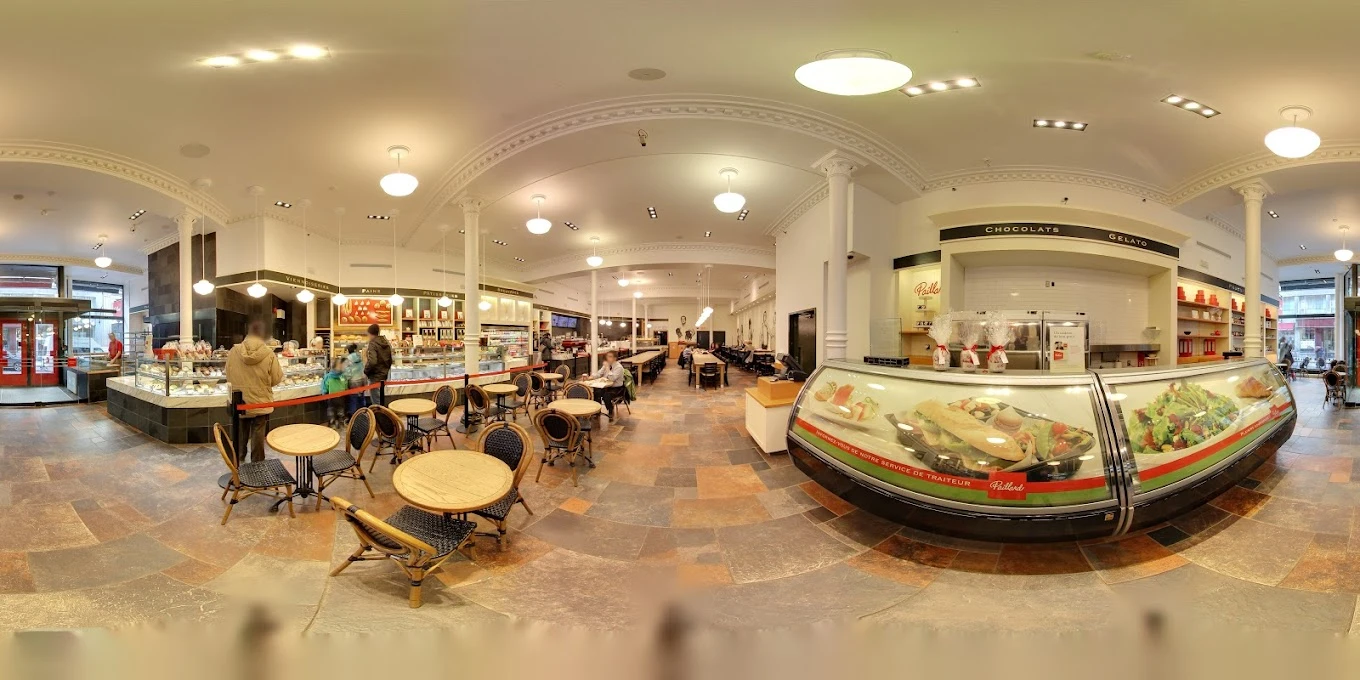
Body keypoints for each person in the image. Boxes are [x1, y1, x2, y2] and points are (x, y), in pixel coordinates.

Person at [225, 319, 283, 463]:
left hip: (240, 401)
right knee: (258, 431)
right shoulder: (269, 353)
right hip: (260, 400)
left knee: (241, 431)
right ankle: (257, 463)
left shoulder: (233, 351)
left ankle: (238, 460)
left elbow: (228, 374)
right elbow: (276, 378)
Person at [589, 351, 627, 419]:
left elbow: (612, 379)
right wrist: (591, 377)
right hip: (606, 386)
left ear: (615, 358)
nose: (608, 358)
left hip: (617, 388)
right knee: (597, 391)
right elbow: (599, 374)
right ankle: (597, 411)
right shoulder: (606, 365)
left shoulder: (619, 367)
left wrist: (607, 368)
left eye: (610, 356)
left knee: (606, 395)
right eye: (607, 356)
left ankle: (610, 410)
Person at [363, 324, 393, 403]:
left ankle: (378, 411)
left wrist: (366, 371)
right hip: (384, 376)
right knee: (381, 399)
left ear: (370, 334)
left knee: (376, 402)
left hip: (375, 377)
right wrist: (386, 370)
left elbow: (372, 361)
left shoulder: (372, 344)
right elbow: (390, 359)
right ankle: (382, 410)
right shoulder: (386, 343)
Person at [322, 357, 348, 428]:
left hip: (331, 397)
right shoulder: (342, 376)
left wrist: (324, 393)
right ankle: (340, 420)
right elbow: (346, 385)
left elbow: (324, 386)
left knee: (331, 409)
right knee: (340, 409)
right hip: (341, 396)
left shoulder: (328, 376)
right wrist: (345, 390)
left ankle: (332, 421)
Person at [343, 342, 367, 415]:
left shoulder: (348, 359)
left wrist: (345, 379)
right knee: (361, 398)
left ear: (348, 350)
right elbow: (363, 368)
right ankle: (364, 414)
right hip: (362, 380)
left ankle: (353, 416)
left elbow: (347, 373)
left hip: (353, 381)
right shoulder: (359, 357)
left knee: (353, 399)